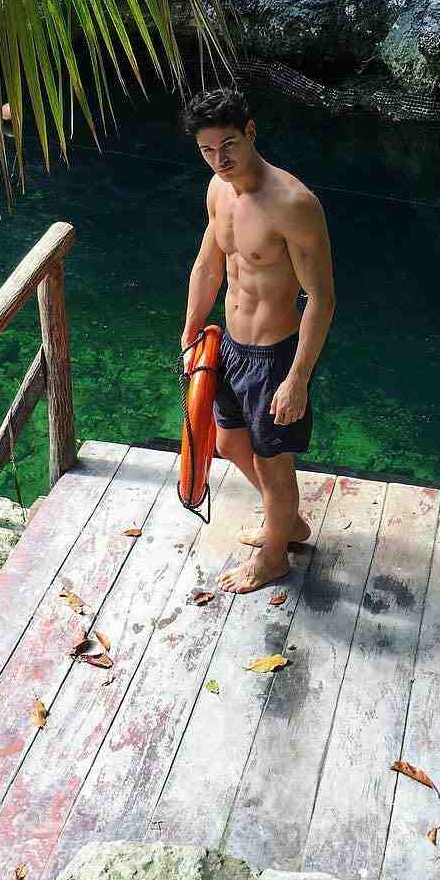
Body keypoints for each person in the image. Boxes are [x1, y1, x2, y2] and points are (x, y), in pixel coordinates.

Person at [180, 86, 335, 593]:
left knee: (274, 464)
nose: (218, 159)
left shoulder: (293, 203)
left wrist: (297, 380)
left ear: (250, 132)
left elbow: (321, 298)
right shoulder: (217, 191)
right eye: (206, 150)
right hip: (228, 346)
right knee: (226, 441)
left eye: (227, 145)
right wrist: (190, 334)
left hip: (275, 355)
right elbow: (209, 266)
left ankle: (275, 557)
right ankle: (285, 522)